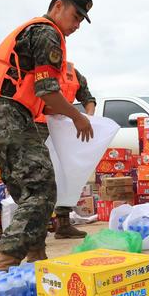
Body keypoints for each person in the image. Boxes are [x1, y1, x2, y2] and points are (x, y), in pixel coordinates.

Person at [0, 0, 95, 271]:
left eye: (81, 20)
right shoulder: (47, 33)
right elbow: (47, 90)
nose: (77, 24)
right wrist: (77, 117)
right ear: (58, 6)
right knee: (42, 186)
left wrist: (68, 115)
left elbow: (47, 99)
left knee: (25, 190)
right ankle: (6, 263)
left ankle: (37, 256)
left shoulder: (37, 32)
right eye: (76, 16)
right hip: (8, 116)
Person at [34, 62, 96, 239]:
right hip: (37, 126)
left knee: (65, 173)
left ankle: (63, 224)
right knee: (40, 175)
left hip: (63, 128)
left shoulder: (73, 73)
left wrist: (87, 116)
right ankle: (36, 228)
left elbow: (88, 98)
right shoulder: (41, 69)